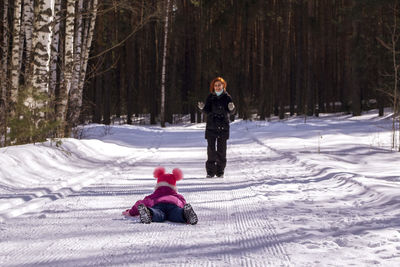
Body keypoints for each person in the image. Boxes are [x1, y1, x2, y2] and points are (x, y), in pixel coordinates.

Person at [122, 167, 198, 225]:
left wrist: (131, 212)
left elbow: (141, 202)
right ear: (173, 186)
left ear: (158, 185)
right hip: (173, 205)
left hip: (159, 204)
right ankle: (185, 214)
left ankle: (149, 213)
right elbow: (183, 203)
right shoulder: (177, 196)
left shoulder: (154, 195)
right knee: (176, 213)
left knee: (158, 213)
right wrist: (183, 208)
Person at [198, 77, 236, 178]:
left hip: (223, 126)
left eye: (219, 85)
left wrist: (232, 109)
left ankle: (220, 171)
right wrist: (202, 108)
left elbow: (231, 111)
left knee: (221, 150)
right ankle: (210, 172)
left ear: (223, 86)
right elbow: (207, 110)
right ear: (213, 87)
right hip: (211, 126)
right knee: (211, 150)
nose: (217, 87)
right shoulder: (210, 97)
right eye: (216, 85)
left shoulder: (227, 97)